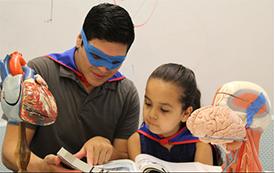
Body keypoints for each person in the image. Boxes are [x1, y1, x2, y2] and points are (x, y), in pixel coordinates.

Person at [2, 3, 140, 172]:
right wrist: (44, 168)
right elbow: (10, 152)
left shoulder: (126, 93)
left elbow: (123, 156)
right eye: (96, 56)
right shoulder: (39, 74)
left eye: (115, 62)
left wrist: (105, 148)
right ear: (80, 39)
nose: (104, 69)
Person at [128, 63, 221, 165]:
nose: (152, 114)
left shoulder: (201, 145)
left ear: (186, 114)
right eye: (148, 103)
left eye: (164, 109)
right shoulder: (136, 141)